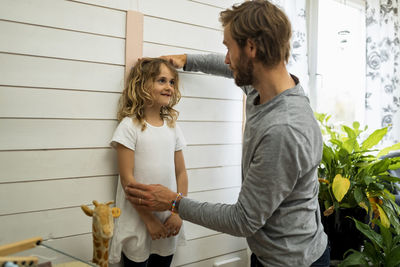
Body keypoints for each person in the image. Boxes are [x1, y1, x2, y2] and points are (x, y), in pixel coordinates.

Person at [125, 1, 329, 266]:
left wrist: (174, 202)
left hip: (291, 261)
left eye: (228, 48)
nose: (226, 58)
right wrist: (186, 61)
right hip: (273, 253)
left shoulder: (284, 129)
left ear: (251, 49)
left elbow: (243, 220)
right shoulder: (264, 89)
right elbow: (230, 69)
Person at [108, 58, 188, 267]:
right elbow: (128, 181)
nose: (169, 87)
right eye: (162, 80)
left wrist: (178, 212)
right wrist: (149, 220)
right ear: (142, 84)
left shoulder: (172, 127)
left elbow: (181, 173)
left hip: (168, 218)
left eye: (172, 82)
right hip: (138, 219)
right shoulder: (129, 126)